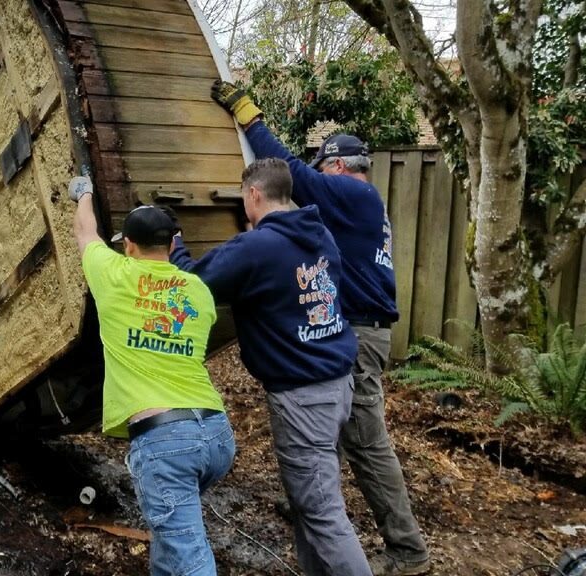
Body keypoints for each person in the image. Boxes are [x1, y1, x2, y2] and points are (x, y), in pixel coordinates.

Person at [211, 80, 431, 576]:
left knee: (366, 445)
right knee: (329, 447)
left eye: (322, 169)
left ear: (337, 167)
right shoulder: (359, 204)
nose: (317, 179)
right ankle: (324, 532)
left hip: (359, 335)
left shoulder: (354, 194)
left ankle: (406, 550)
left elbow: (294, 181)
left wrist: (250, 118)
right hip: (355, 331)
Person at [171, 158, 370, 576]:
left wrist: (176, 245)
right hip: (337, 382)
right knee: (309, 501)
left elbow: (193, 283)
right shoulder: (319, 235)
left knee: (321, 511)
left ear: (254, 195)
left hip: (303, 396)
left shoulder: (256, 248)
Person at [68, 175, 236, 576]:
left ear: (127, 245)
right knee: (171, 538)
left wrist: (84, 192)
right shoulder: (197, 291)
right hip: (215, 435)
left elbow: (84, 231)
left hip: (165, 444)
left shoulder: (113, 275)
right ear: (173, 244)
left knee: (189, 554)